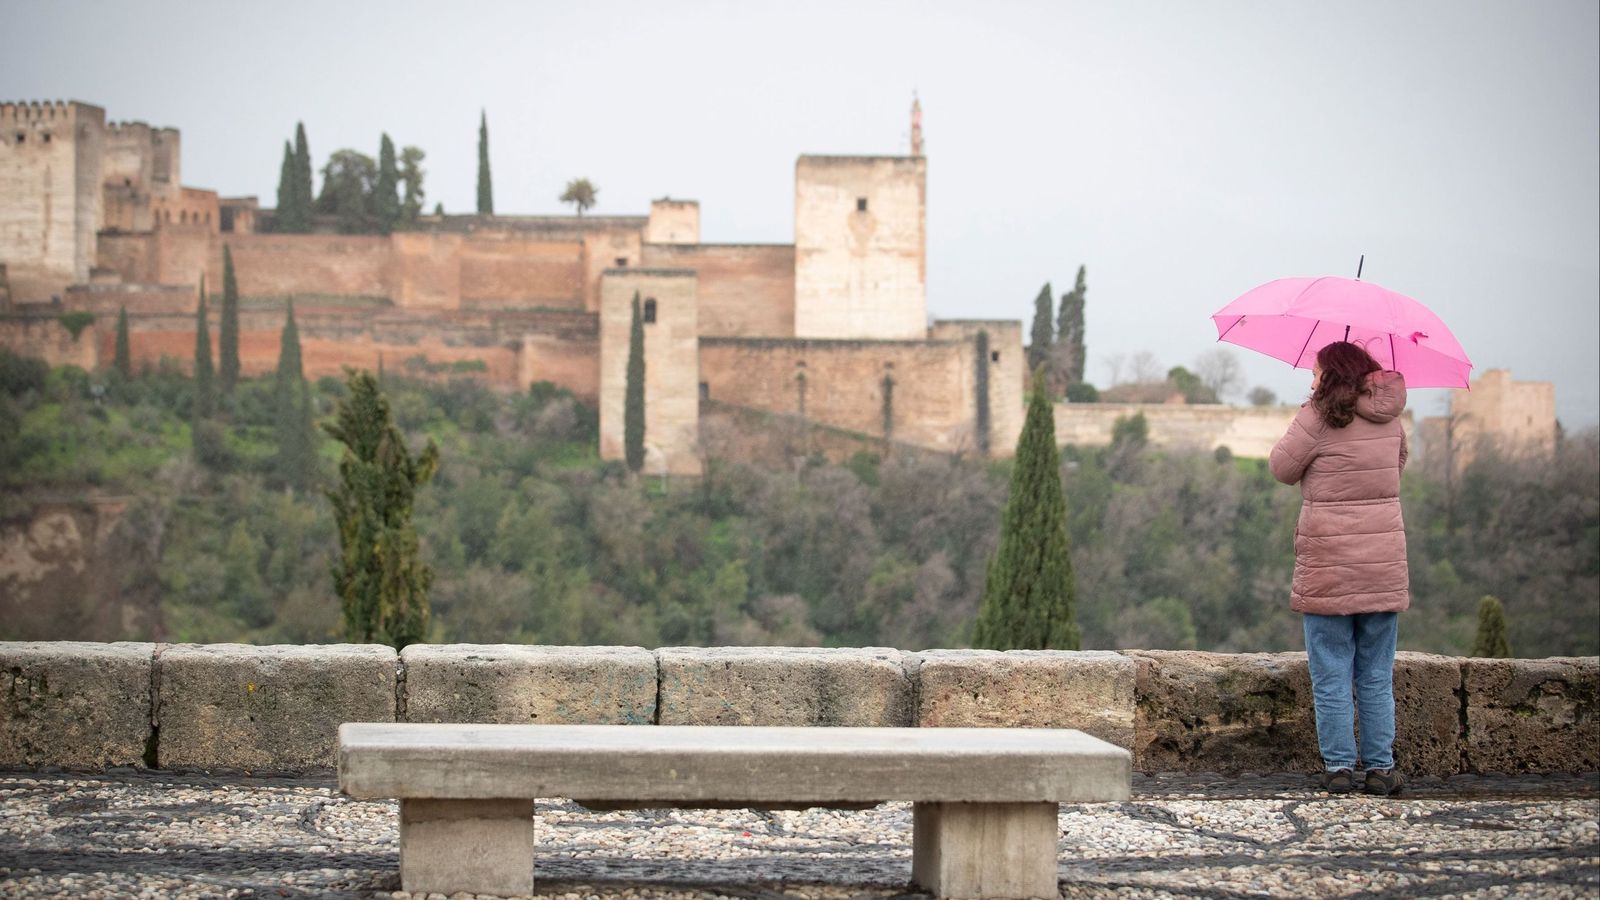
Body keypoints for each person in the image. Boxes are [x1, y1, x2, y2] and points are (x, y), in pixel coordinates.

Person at [1269, 341, 1409, 796]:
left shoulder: (1319, 416)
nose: (1310, 380)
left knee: (1331, 672)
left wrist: (1311, 409)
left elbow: (1281, 468)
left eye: (1314, 372)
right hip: (1382, 567)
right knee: (1375, 672)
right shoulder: (1391, 422)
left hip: (1328, 566)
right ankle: (1381, 768)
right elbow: (1396, 468)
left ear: (1330, 376)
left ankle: (1339, 769)